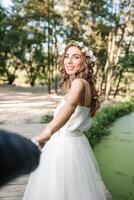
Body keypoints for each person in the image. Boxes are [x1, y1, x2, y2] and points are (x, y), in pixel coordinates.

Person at [22, 40, 112, 200]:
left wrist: (46, 133)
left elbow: (69, 107)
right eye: (67, 56)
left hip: (64, 147)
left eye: (76, 57)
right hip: (76, 144)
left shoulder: (79, 83)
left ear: (85, 62)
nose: (69, 61)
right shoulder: (85, 85)